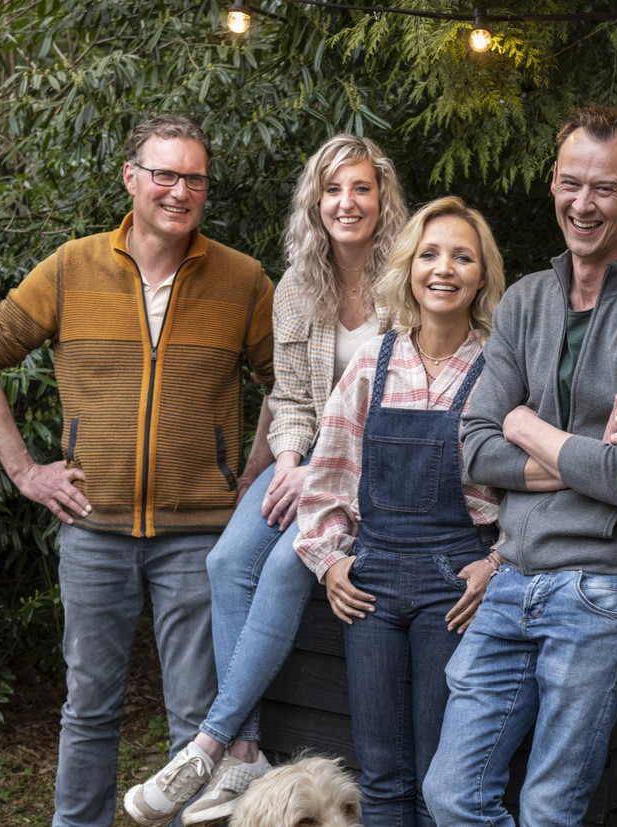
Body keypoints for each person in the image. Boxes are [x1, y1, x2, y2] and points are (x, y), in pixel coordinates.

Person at [0, 116, 275, 827]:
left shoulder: (243, 278)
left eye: (193, 177)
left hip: (199, 532)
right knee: (89, 707)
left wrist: (253, 470)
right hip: (92, 527)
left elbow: (288, 383)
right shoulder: (72, 266)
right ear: (131, 178)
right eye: (164, 174)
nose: (179, 191)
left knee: (198, 720)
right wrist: (23, 470)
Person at [123, 134, 407, 825]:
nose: (347, 202)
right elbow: (290, 400)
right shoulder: (296, 289)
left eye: (361, 188)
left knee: (286, 567)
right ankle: (246, 749)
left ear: (382, 199)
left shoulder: (409, 278)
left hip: (379, 471)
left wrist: (321, 475)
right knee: (228, 560)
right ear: (315, 201)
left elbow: (415, 400)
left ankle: (208, 742)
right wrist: (286, 460)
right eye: (333, 189)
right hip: (306, 458)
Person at [423, 106, 617, 826]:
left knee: (552, 805)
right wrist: (581, 452)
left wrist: (526, 424)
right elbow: (473, 446)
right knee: (450, 794)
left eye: (605, 189)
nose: (583, 204)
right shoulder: (526, 299)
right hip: (510, 576)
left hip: (601, 587)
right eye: (570, 183)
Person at [296, 196, 506, 825]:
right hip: (373, 584)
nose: (444, 269)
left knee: (442, 772)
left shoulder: (499, 368)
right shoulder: (372, 360)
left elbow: (525, 490)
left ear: (482, 275)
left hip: (457, 585)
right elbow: (328, 474)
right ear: (409, 267)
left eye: (462, 257)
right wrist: (329, 561)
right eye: (430, 254)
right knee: (382, 775)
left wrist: (496, 563)